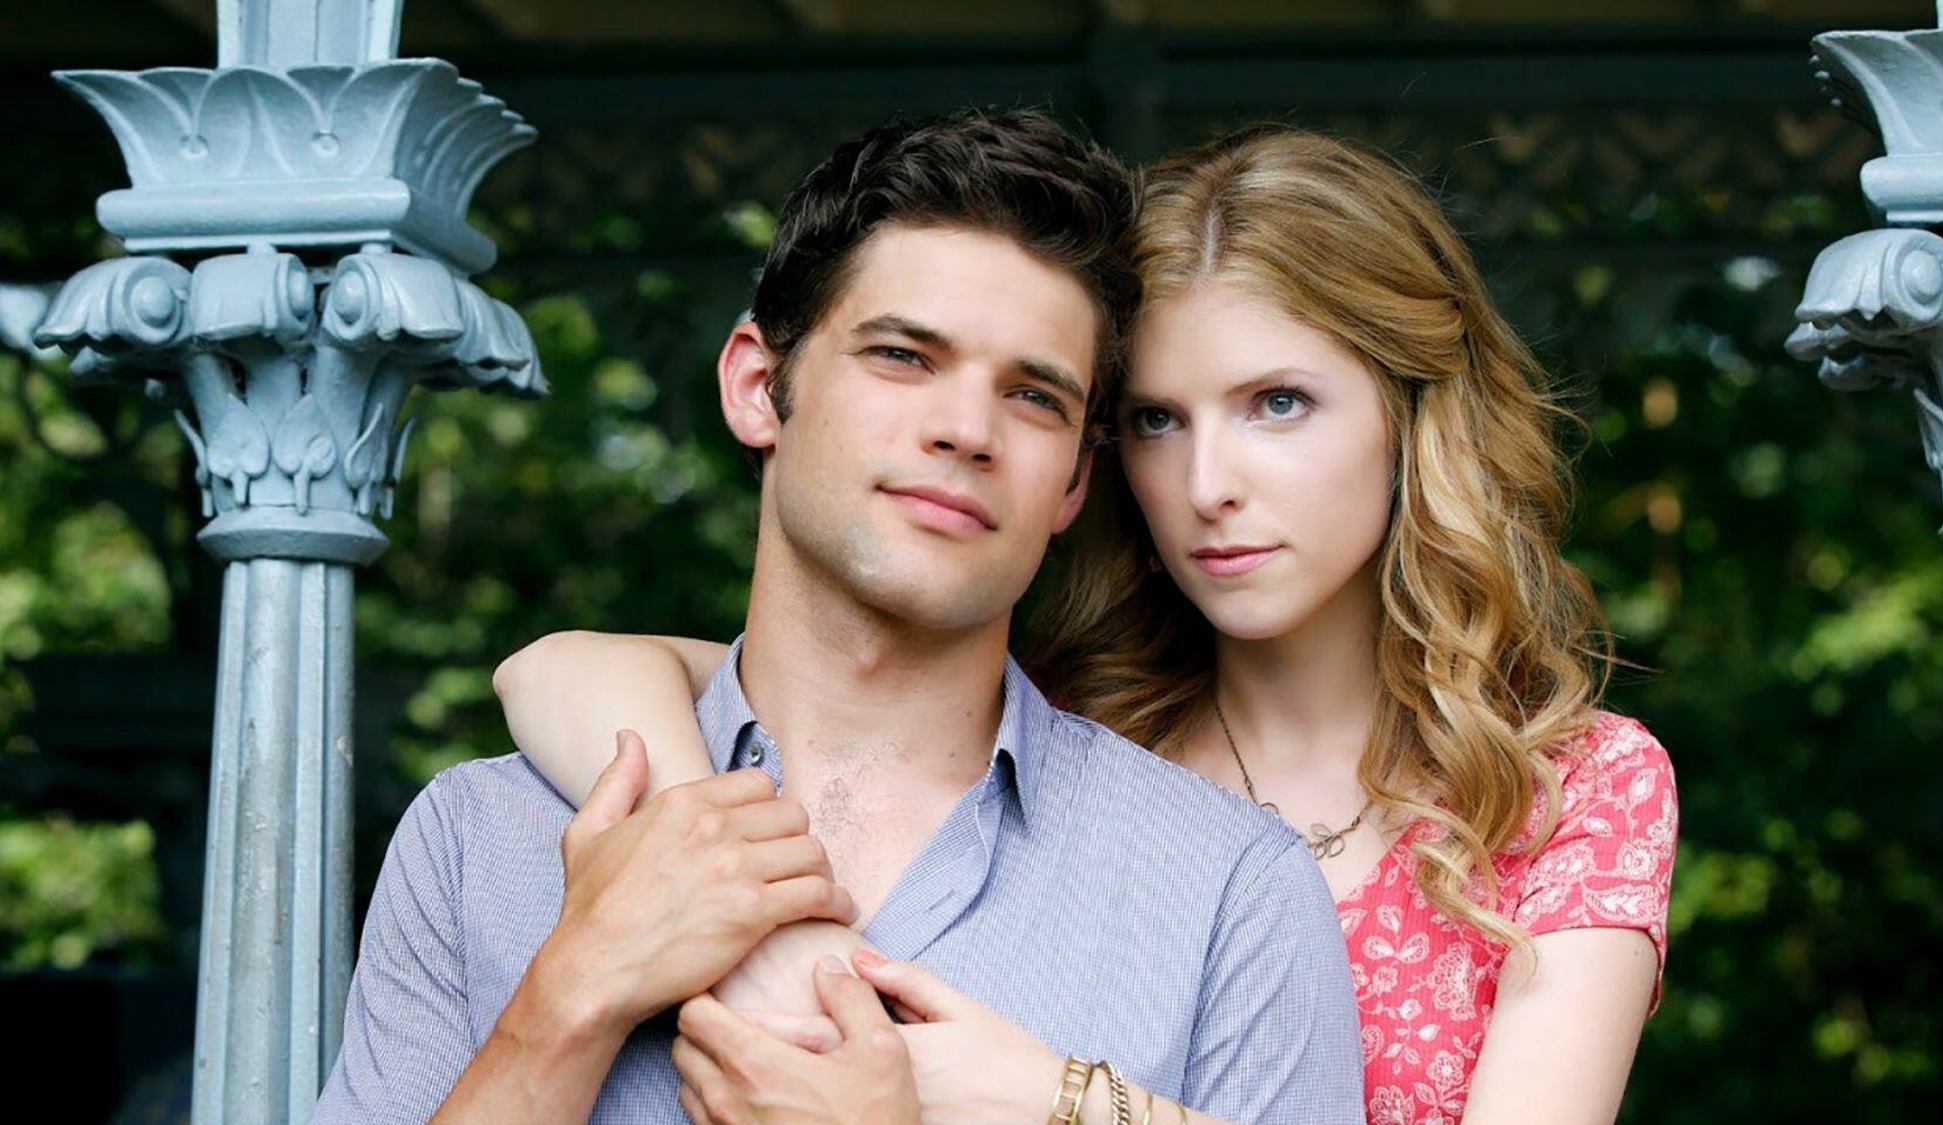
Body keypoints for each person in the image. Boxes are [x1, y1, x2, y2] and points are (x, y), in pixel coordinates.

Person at [498, 124, 1679, 1125]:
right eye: (1156, 421)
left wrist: (1053, 1100)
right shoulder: (1060, 719)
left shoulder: (1561, 792)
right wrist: (728, 912)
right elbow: (564, 670)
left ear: (1412, 418)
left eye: (1277, 403)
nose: (1209, 481)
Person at [312, 109, 1366, 1125]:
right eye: (902, 356)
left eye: (1033, 396)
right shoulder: (477, 837)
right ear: (759, 387)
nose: (964, 428)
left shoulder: (1231, 896)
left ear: (1072, 487)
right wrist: (571, 997)